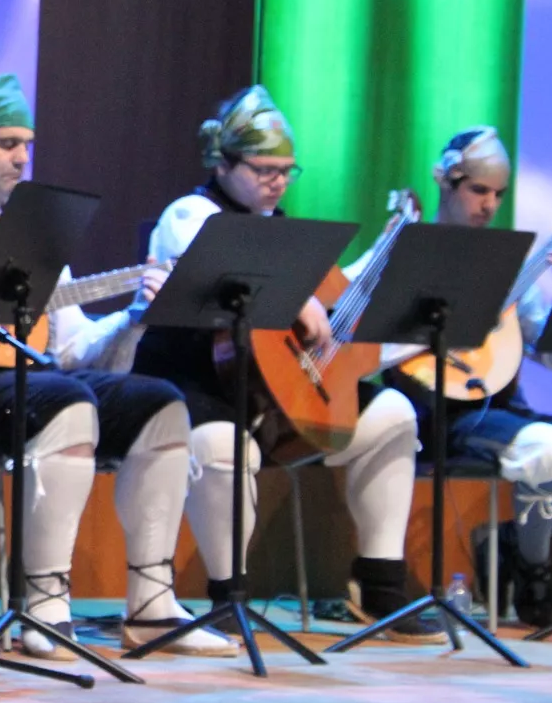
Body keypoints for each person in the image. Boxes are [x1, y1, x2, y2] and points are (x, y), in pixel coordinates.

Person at [0, 74, 232, 658]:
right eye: (7, 143)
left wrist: (136, 315)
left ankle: (152, 604)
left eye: (27, 145)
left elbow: (70, 350)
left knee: (158, 402)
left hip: (24, 381)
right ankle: (44, 603)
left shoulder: (32, 229)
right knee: (65, 400)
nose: (21, 157)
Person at [127, 85, 441, 643]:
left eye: (287, 171)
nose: (278, 181)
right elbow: (223, 250)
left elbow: (332, 301)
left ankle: (381, 583)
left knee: (393, 410)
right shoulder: (189, 211)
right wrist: (295, 295)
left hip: (276, 395)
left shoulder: (284, 231)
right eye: (265, 168)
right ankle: (228, 596)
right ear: (222, 164)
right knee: (226, 446)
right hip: (198, 385)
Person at [386, 128, 552, 627]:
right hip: (440, 415)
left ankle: (513, 540)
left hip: (505, 413)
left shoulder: (512, 267)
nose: (489, 205)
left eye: (498, 194)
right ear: (446, 183)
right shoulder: (408, 252)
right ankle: (535, 567)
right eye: (478, 190)